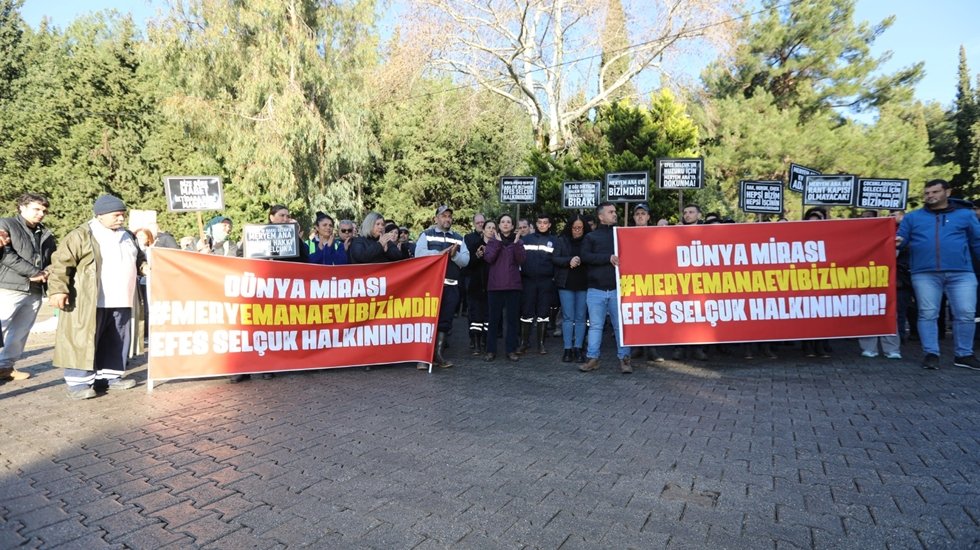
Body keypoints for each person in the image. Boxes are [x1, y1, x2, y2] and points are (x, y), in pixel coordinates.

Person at [47, 194, 146, 399]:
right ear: (100, 215)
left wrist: (144, 266)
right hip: (90, 300)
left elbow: (139, 258)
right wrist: (58, 290)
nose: (121, 218)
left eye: (123, 214)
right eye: (116, 215)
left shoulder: (128, 235)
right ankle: (78, 384)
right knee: (83, 340)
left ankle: (110, 377)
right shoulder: (81, 235)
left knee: (116, 339)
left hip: (122, 299)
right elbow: (60, 263)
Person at [897, 179, 980, 370]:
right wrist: (897, 242)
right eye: (927, 193)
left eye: (935, 192)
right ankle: (931, 353)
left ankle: (964, 354)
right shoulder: (913, 217)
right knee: (927, 313)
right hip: (924, 273)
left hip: (961, 272)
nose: (930, 196)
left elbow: (977, 241)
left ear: (947, 193)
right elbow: (901, 240)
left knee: (966, 313)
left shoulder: (965, 215)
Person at [0, 193, 57, 382]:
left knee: (20, 332)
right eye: (36, 209)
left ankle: (5, 367)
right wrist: (34, 272)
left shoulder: (46, 233)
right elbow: (6, 255)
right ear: (22, 207)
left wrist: (47, 272)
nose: (41, 213)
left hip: (35, 291)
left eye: (44, 211)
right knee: (1, 326)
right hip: (8, 287)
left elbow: (53, 258)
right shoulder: (6, 224)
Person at [415, 205, 469, 369]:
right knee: (428, 320)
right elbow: (419, 254)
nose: (447, 219)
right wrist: (439, 254)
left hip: (451, 285)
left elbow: (465, 260)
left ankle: (438, 355)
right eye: (444, 216)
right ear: (436, 218)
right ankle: (423, 357)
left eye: (449, 216)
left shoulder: (459, 238)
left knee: (445, 321)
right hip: (431, 286)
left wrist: (455, 255)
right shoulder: (426, 234)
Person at [580, 202, 631, 374]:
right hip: (595, 289)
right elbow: (585, 256)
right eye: (610, 212)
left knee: (620, 327)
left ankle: (625, 359)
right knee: (596, 326)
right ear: (601, 216)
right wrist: (607, 258)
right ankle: (592, 358)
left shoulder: (622, 234)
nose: (614, 214)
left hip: (619, 289)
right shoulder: (591, 237)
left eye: (615, 211)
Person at [484, 214, 526, 362]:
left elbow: (521, 259)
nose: (506, 224)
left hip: (513, 286)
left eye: (508, 222)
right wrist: (497, 243)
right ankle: (490, 350)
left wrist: (516, 244)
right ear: (499, 225)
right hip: (495, 286)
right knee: (493, 320)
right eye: (503, 222)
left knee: (512, 320)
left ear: (513, 226)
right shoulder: (492, 241)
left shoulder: (518, 241)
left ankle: (511, 350)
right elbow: (489, 258)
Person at [628, 203, 665, 363]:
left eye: (643, 213)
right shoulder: (626, 234)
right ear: (633, 217)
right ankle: (637, 346)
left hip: (653, 281)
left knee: (652, 315)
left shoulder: (656, 233)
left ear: (648, 217)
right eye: (637, 214)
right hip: (633, 281)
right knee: (636, 315)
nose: (640, 216)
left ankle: (652, 349)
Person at [553, 214, 590, 364]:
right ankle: (567, 349)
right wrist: (569, 260)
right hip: (566, 283)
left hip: (584, 283)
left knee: (581, 317)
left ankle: (578, 348)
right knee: (568, 317)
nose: (577, 230)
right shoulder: (562, 240)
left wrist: (582, 259)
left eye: (580, 228)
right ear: (570, 227)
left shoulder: (589, 240)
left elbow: (593, 258)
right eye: (575, 228)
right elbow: (555, 258)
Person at [518, 213, 556, 355]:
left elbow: (557, 261)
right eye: (539, 222)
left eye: (545, 222)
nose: (542, 225)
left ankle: (541, 344)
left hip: (546, 281)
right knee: (526, 312)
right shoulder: (526, 240)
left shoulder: (555, 241)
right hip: (528, 281)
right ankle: (524, 343)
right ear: (536, 224)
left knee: (543, 313)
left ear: (549, 225)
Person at [465, 219, 495, 356]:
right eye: (488, 227)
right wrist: (477, 256)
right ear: (483, 230)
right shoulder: (474, 244)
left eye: (493, 228)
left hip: (492, 286)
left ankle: (486, 342)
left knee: (489, 317)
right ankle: (476, 344)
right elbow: (467, 264)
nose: (491, 230)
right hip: (476, 286)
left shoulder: (497, 246)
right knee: (476, 316)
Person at [462, 213, 487, 351]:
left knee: (486, 311)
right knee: (474, 311)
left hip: (488, 279)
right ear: (474, 224)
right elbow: (466, 261)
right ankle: (474, 338)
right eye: (478, 222)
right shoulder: (468, 238)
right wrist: (476, 255)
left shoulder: (492, 238)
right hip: (473, 279)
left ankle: (485, 338)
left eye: (482, 222)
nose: (481, 224)